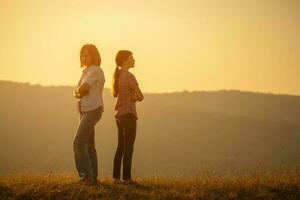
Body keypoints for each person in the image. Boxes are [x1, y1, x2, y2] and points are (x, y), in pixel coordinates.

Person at [73, 44, 105, 185]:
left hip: (93, 109)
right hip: (85, 110)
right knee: (89, 145)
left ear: (94, 55)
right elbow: (79, 91)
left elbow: (83, 89)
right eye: (82, 55)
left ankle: (86, 177)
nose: (83, 58)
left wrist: (78, 91)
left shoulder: (96, 70)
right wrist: (79, 91)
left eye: (86, 55)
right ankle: (93, 177)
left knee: (78, 142)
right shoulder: (85, 71)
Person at [112, 50, 144, 185]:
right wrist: (135, 98)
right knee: (129, 147)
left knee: (120, 147)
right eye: (132, 58)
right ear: (125, 60)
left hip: (119, 115)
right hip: (129, 114)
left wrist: (132, 98)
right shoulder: (130, 76)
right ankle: (127, 178)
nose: (134, 60)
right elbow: (140, 96)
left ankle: (116, 178)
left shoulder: (118, 76)